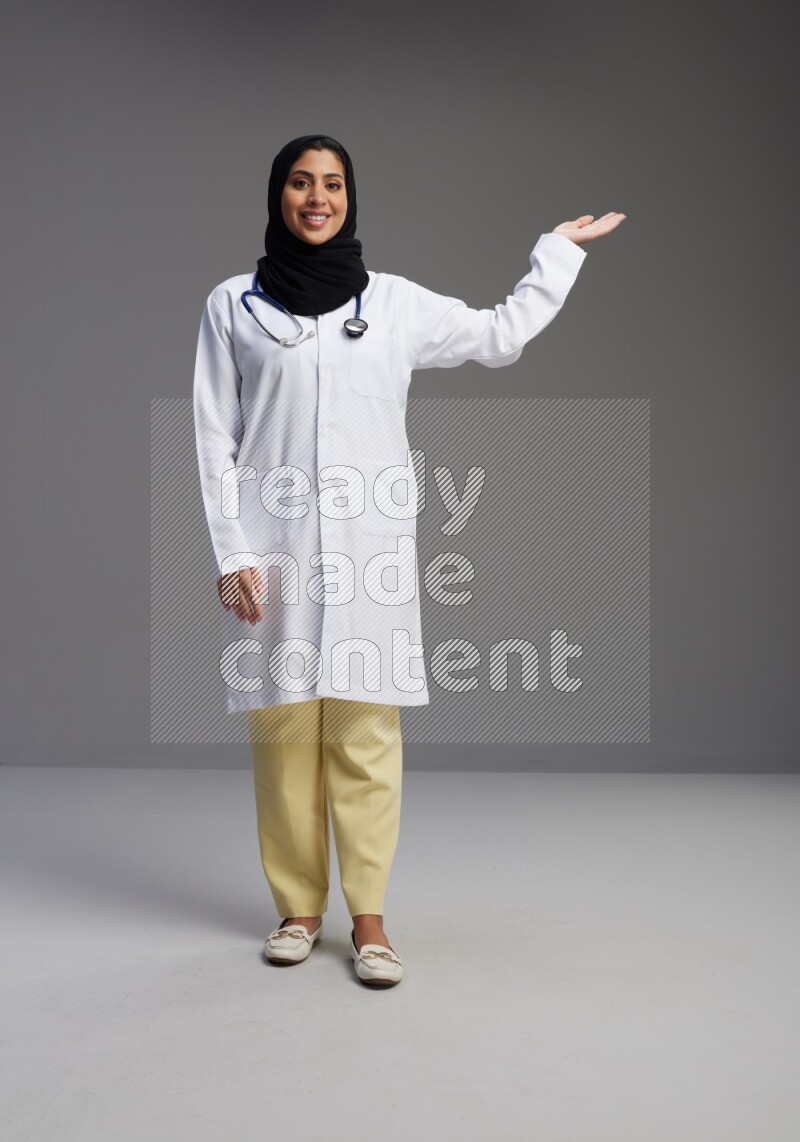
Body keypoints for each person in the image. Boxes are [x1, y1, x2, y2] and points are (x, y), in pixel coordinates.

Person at [192, 133, 625, 988]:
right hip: (272, 554)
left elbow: (499, 334)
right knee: (284, 734)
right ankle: (297, 910)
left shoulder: (390, 304)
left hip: (368, 558)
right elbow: (213, 434)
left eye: (334, 184)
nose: (318, 197)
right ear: (277, 195)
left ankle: (371, 920)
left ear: (350, 199)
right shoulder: (232, 306)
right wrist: (229, 551)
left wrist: (556, 254)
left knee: (364, 735)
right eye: (301, 183)